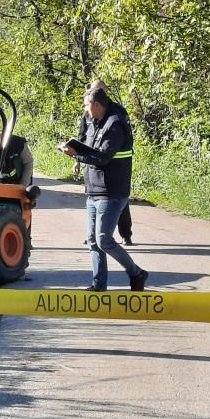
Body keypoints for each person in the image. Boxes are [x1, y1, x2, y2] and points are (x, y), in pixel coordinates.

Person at [60, 87, 148, 291]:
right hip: (93, 189)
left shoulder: (114, 124)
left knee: (104, 240)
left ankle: (137, 273)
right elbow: (88, 146)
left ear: (97, 105)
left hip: (112, 191)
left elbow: (103, 157)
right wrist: (75, 149)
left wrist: (74, 155)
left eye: (87, 106)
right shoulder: (94, 121)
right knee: (93, 241)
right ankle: (98, 285)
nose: (85, 110)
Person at [77, 79, 134, 245]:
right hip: (93, 164)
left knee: (119, 202)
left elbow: (122, 140)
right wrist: (78, 157)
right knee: (93, 200)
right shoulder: (88, 112)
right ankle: (94, 235)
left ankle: (125, 234)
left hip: (115, 168)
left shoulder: (117, 113)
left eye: (99, 90)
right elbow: (83, 135)